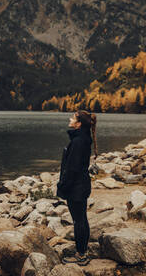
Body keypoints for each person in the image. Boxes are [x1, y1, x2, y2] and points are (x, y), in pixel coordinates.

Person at [56, 110, 97, 266]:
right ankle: (82, 251)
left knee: (78, 221)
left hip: (76, 187)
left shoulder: (78, 141)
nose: (70, 119)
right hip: (81, 185)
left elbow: (72, 169)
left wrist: (62, 185)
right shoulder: (82, 139)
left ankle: (81, 255)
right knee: (81, 220)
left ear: (79, 124)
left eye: (73, 117)